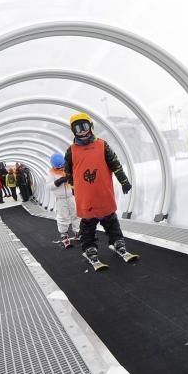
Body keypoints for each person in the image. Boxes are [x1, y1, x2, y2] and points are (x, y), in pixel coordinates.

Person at [63, 112, 134, 263]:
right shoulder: (71, 151)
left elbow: (115, 164)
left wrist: (123, 180)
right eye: (77, 128)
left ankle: (117, 242)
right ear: (73, 131)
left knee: (110, 219)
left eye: (84, 126)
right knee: (88, 223)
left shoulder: (102, 145)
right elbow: (68, 172)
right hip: (86, 195)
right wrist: (75, 188)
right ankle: (89, 247)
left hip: (103, 192)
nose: (82, 131)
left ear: (91, 127)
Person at [49, 153, 81, 244]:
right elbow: (48, 186)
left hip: (71, 197)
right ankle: (64, 233)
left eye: (62, 166)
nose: (61, 169)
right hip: (61, 199)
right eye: (59, 168)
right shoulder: (51, 173)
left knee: (76, 213)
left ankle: (77, 230)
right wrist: (58, 181)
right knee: (63, 216)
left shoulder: (68, 170)